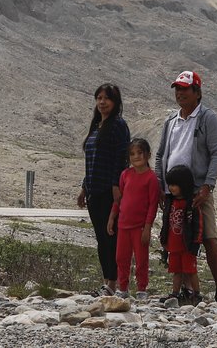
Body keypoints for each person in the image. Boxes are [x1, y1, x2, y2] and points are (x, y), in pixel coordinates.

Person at [154, 69, 217, 302]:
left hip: (197, 190)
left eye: (184, 89)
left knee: (207, 236)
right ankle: (187, 290)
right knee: (177, 238)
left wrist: (208, 186)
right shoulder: (171, 121)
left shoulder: (208, 118)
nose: (179, 93)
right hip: (172, 191)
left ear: (197, 92)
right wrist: (160, 185)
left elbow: (216, 154)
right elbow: (159, 156)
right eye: (177, 88)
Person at [76, 83, 129, 296]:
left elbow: (121, 157)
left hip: (109, 190)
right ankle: (107, 281)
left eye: (106, 98)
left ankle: (115, 284)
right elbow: (92, 161)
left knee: (111, 237)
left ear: (115, 102)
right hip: (93, 190)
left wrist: (117, 185)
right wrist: (83, 187)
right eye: (98, 98)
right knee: (101, 238)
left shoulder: (118, 125)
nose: (102, 102)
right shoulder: (97, 126)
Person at [107, 137, 160, 298]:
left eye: (139, 153)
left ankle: (141, 289)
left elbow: (153, 205)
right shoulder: (125, 175)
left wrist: (148, 227)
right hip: (123, 225)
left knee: (141, 259)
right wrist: (112, 217)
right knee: (121, 258)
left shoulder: (152, 178)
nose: (136, 156)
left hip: (140, 227)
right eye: (132, 154)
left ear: (148, 155)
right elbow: (119, 199)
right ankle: (123, 288)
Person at [159, 164, 203, 305]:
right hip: (173, 244)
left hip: (187, 245)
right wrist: (164, 239)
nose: (171, 188)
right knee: (176, 271)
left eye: (174, 185)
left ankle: (196, 294)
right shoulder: (169, 201)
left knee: (190, 270)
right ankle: (175, 294)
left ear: (183, 185)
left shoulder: (191, 204)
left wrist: (196, 241)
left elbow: (198, 225)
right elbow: (165, 221)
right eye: (169, 184)